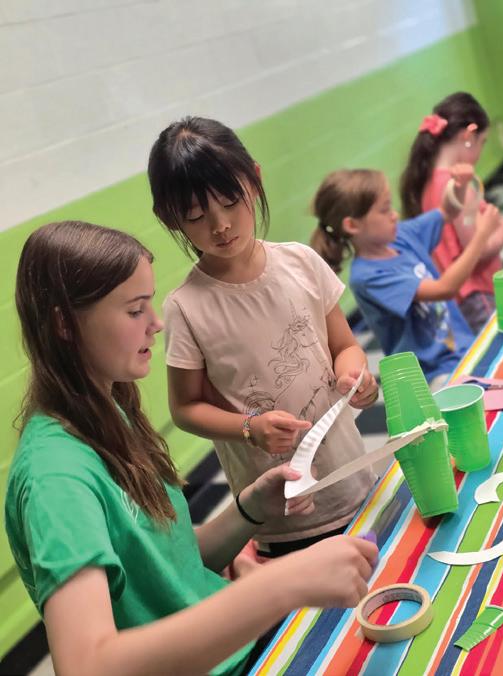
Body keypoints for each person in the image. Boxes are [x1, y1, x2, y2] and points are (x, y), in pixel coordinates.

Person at [5, 220, 378, 676]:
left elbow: (171, 565)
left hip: (242, 650)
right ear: (64, 323)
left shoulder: (111, 415)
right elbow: (87, 665)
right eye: (135, 310)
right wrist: (281, 585)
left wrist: (251, 508)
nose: (156, 324)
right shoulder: (56, 478)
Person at [148, 116, 379, 560]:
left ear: (253, 180)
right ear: (169, 217)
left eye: (230, 202)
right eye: (196, 216)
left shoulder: (301, 262)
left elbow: (345, 346)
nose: (220, 225)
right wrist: (249, 429)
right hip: (285, 516)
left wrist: (355, 374)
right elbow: (185, 408)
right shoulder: (186, 307)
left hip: (353, 481)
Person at [310, 165, 500, 391]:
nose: (395, 215)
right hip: (433, 375)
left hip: (464, 353)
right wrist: (481, 237)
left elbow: (446, 212)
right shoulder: (368, 277)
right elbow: (445, 288)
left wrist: (459, 186)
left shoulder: (401, 236)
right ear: (352, 225)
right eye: (384, 210)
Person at [400, 91, 503, 333]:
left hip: (460, 299)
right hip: (478, 293)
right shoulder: (457, 186)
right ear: (468, 136)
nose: (480, 151)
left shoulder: (427, 183)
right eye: (482, 142)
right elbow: (478, 248)